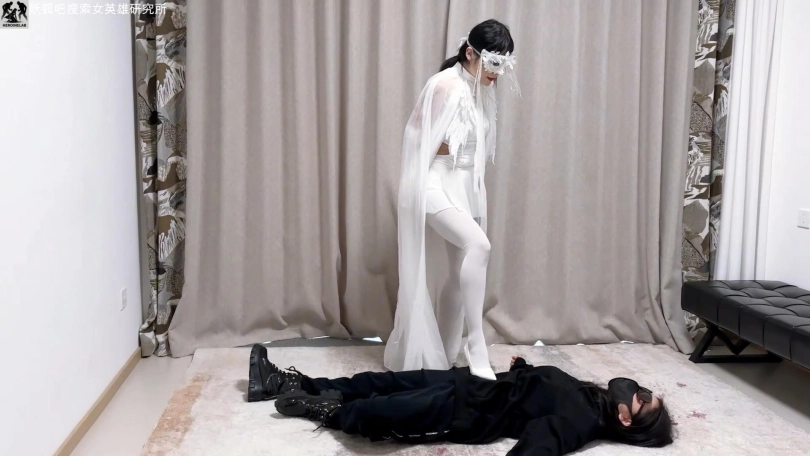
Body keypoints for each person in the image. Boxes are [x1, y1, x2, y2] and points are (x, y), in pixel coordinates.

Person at [386, 19, 521, 380]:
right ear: (470, 53)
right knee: (480, 246)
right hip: (432, 183)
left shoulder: (481, 89)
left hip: (463, 186)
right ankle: (476, 344)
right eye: (493, 63)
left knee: (458, 276)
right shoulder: (444, 84)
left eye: (503, 65)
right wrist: (448, 151)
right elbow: (416, 141)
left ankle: (444, 359)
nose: (497, 73)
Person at [248, 345, 674, 455]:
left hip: (468, 412)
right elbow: (543, 390)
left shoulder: (581, 421)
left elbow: (539, 444)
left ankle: (328, 411)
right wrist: (524, 369)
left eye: (643, 399)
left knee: (382, 410)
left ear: (626, 420)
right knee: (383, 381)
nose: (638, 390)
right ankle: (288, 382)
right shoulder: (590, 396)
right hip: (473, 382)